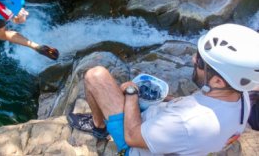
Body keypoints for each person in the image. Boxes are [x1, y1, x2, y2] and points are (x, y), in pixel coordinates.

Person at [67, 23, 259, 155]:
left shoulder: (188, 122)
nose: (193, 60)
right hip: (165, 134)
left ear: (218, 81)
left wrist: (132, 94)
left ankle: (99, 127)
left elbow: (132, 137)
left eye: (200, 62)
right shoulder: (241, 97)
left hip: (138, 144)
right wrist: (169, 101)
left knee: (96, 76)